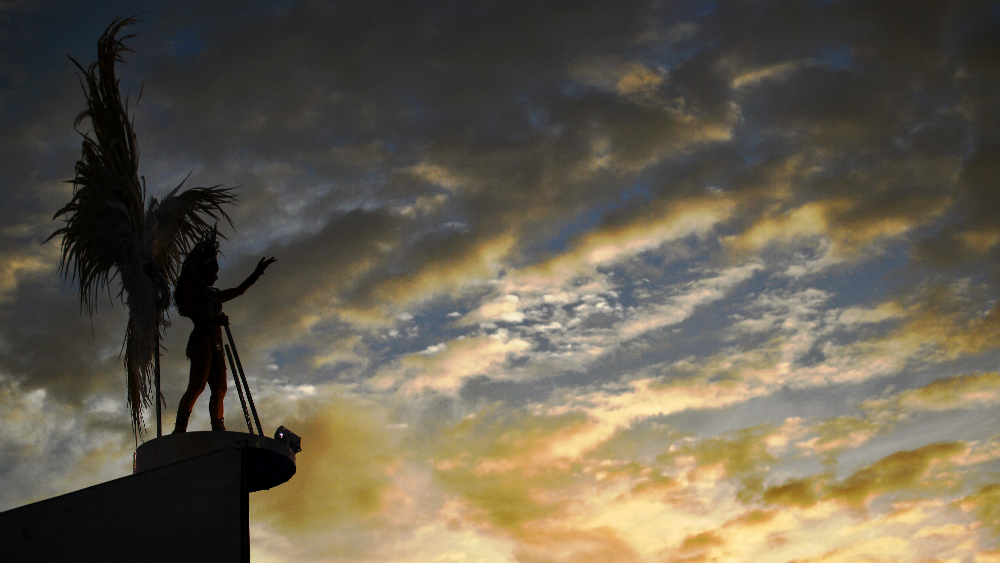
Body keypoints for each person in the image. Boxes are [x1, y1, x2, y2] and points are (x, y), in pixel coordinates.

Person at [172, 229, 275, 432]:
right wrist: (213, 318)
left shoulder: (212, 294)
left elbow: (237, 291)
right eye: (214, 270)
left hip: (216, 343)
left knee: (220, 388)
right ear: (204, 269)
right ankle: (180, 429)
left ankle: (218, 428)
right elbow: (188, 310)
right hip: (202, 339)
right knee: (199, 383)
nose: (217, 275)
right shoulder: (192, 287)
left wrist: (256, 273)